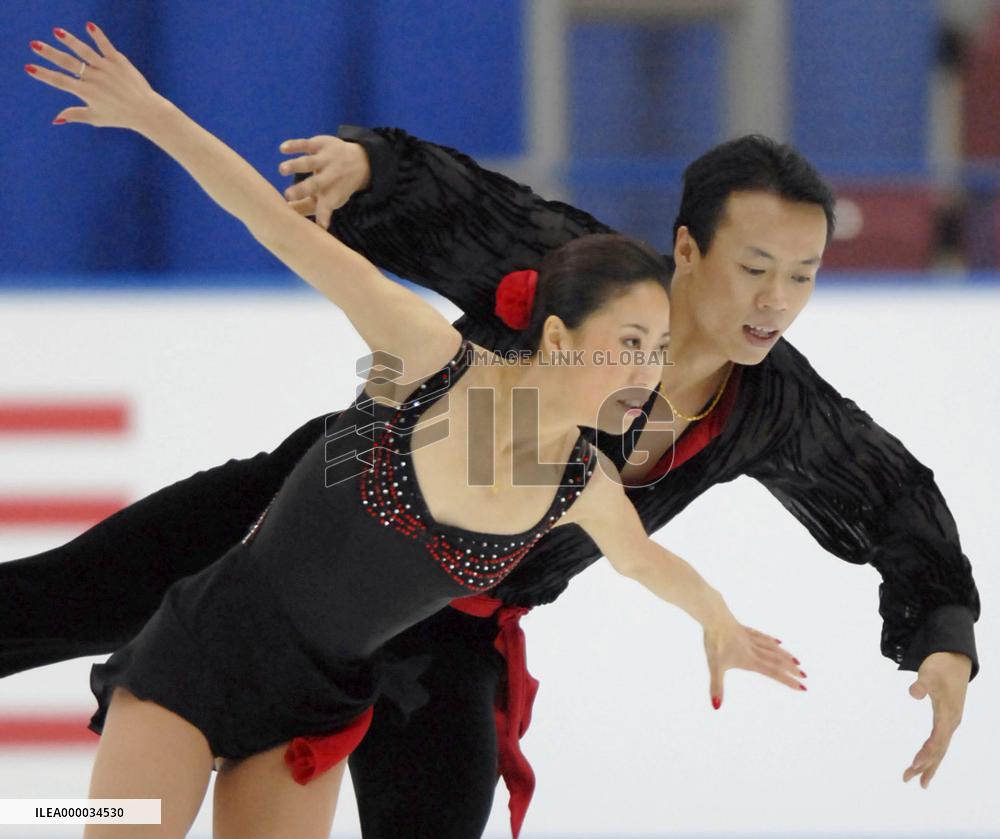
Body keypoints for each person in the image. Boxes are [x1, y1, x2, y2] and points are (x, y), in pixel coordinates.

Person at [9, 28, 979, 839]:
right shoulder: (567, 286)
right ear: (687, 249)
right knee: (69, 611)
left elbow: (875, 490)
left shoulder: (756, 411)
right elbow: (456, 212)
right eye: (757, 266)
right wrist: (373, 168)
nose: (776, 301)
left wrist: (938, 633)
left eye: (804, 275)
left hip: (433, 629)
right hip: (303, 515)